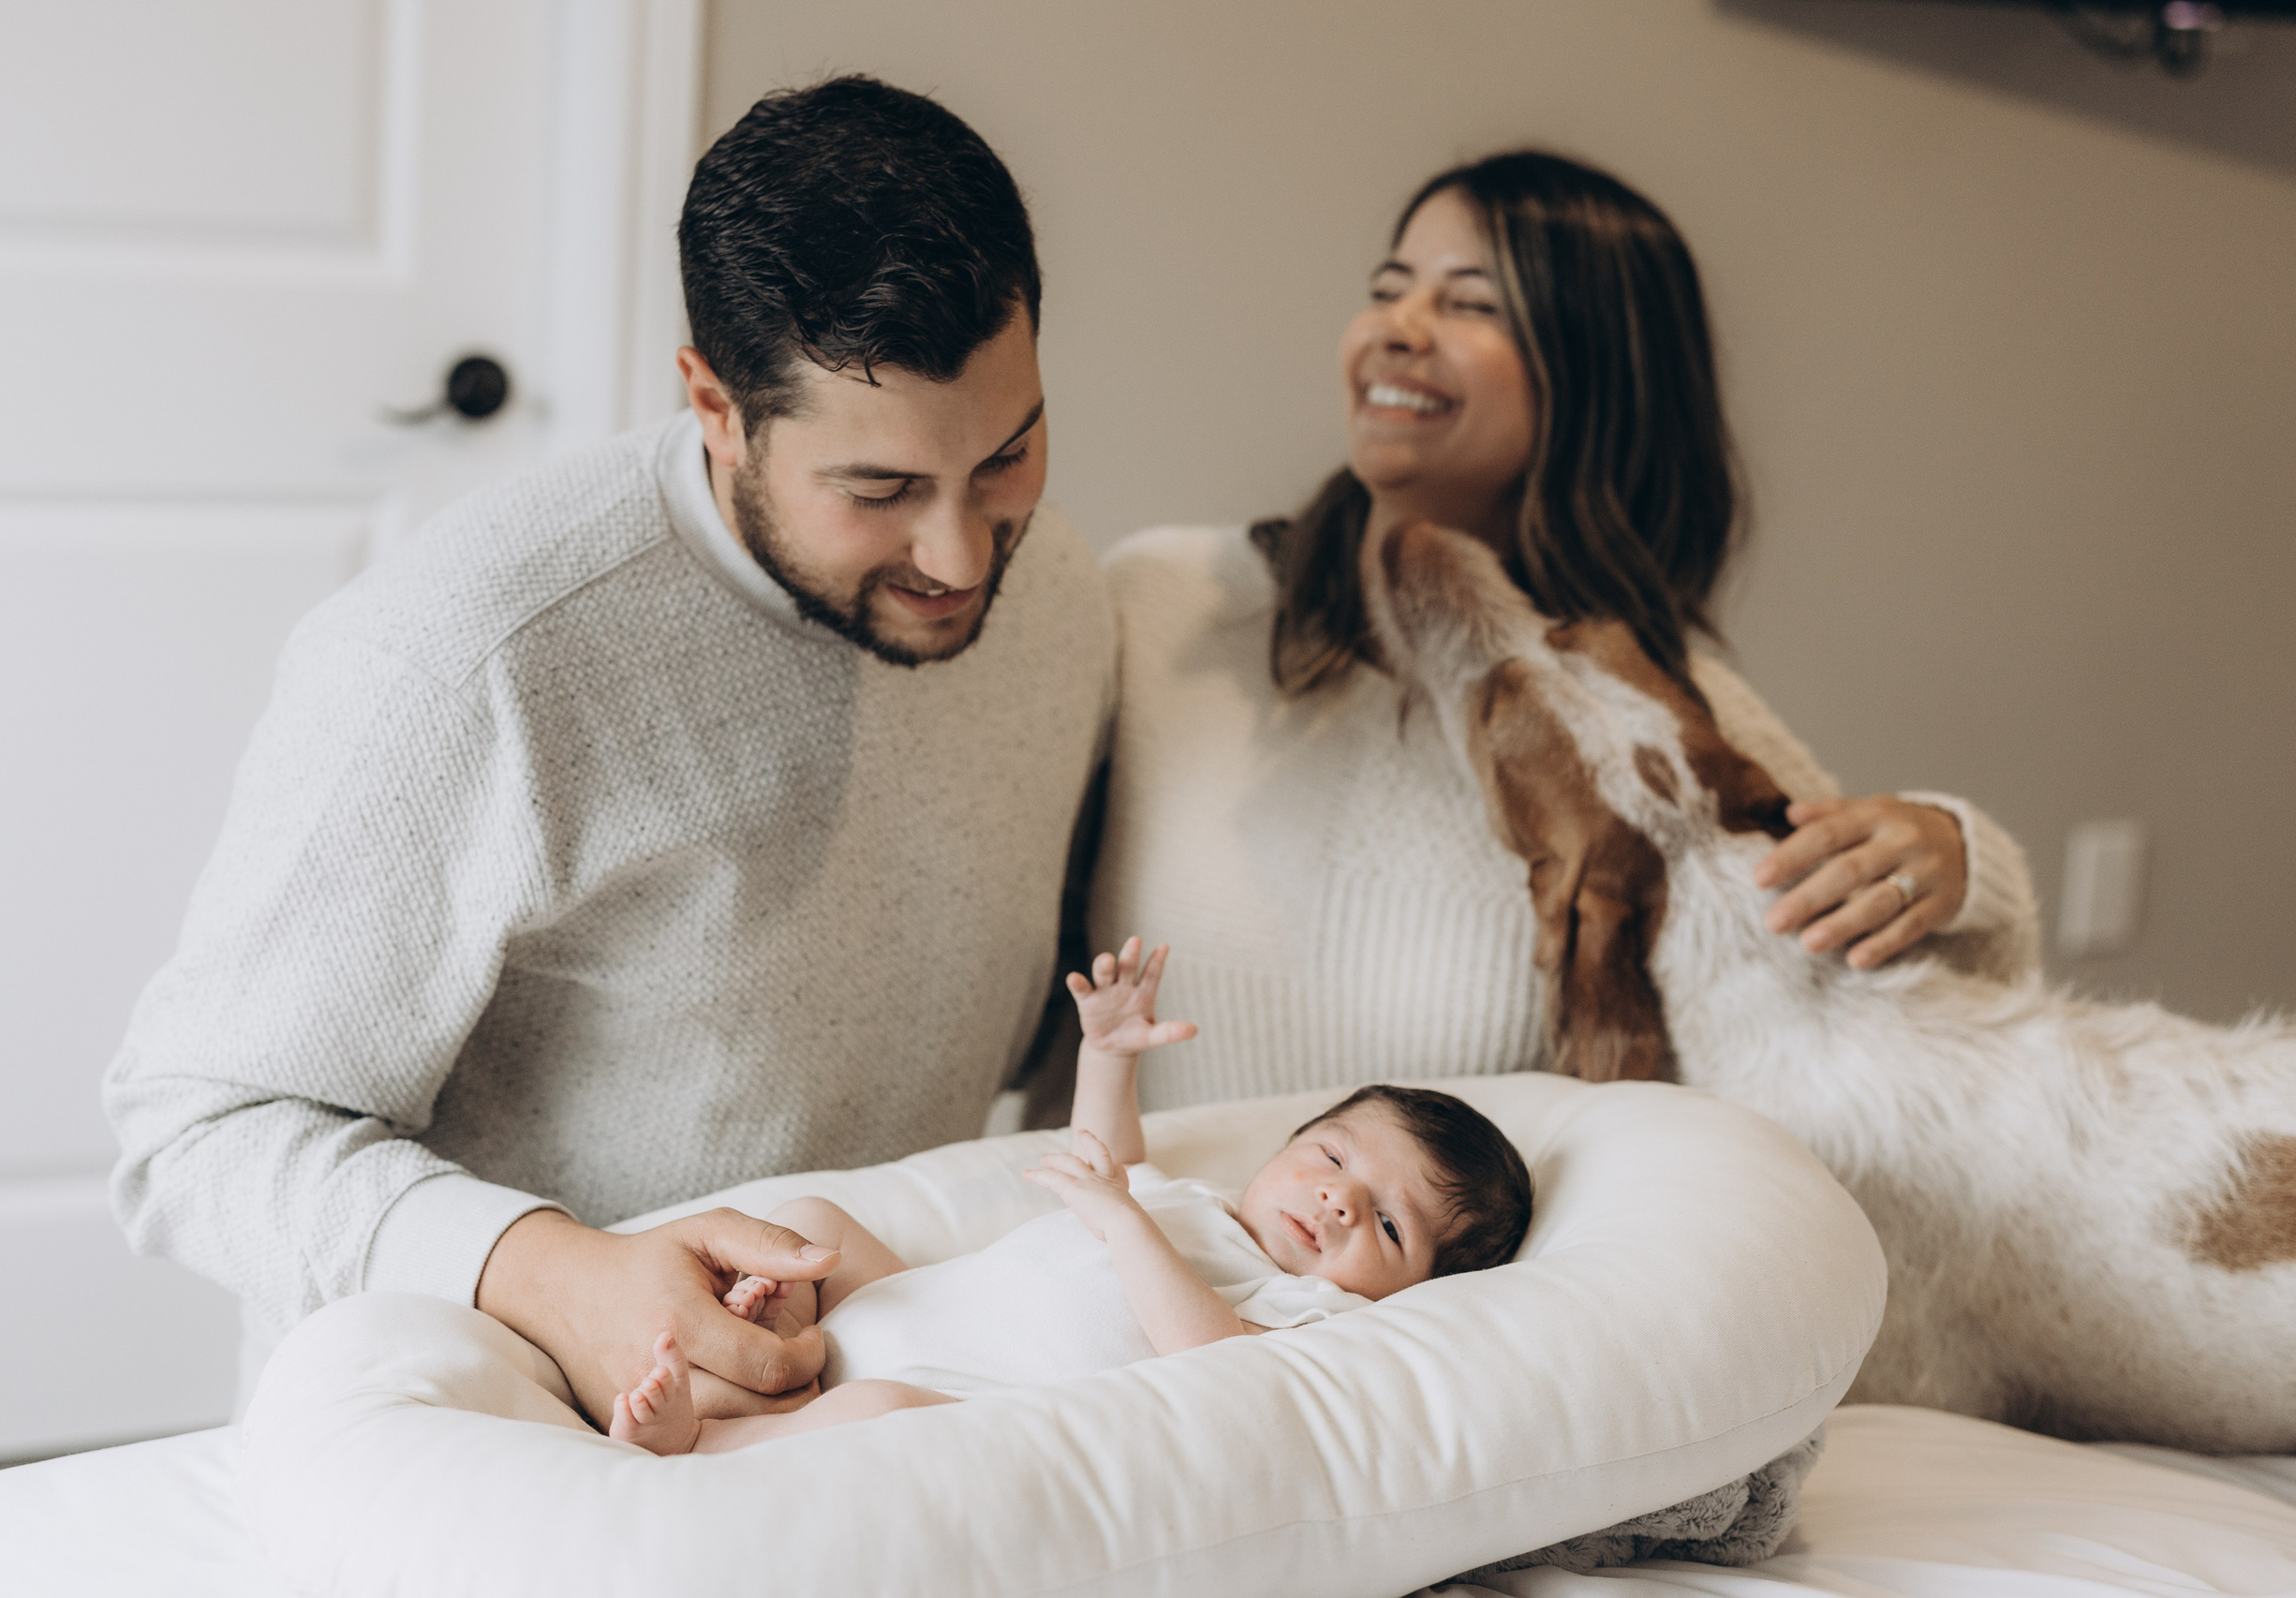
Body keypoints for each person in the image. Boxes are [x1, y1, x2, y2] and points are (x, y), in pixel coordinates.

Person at [103, 77, 1113, 1430]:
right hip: (489, 1433)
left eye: (1005, 457)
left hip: (863, 1425)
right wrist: (556, 1275)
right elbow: (197, 1126)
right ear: (714, 403)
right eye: (879, 489)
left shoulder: (1061, 597)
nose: (961, 553)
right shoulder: (464, 659)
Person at [1082, 151, 2043, 1116]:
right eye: (1388, 287)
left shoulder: (1664, 730)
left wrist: (1964, 864)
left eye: (1472, 303)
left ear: (1593, 374)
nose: (1397, 328)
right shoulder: (1166, 601)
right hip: (1092, 1210)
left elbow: (1868, 1054)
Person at [605, 937, 1533, 1455]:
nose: (1337, 1201)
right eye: (1331, 1156)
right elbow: (1109, 1154)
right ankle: (775, 1342)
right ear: (1285, 1146)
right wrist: (1108, 1057)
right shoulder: (1199, 1199)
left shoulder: (1308, 1311)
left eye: (1386, 1222)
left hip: (946, 1392)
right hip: (911, 1302)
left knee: (875, 1414)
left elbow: (1216, 1362)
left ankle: (714, 1438)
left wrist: (1124, 1222)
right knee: (812, 1223)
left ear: (1414, 1291)